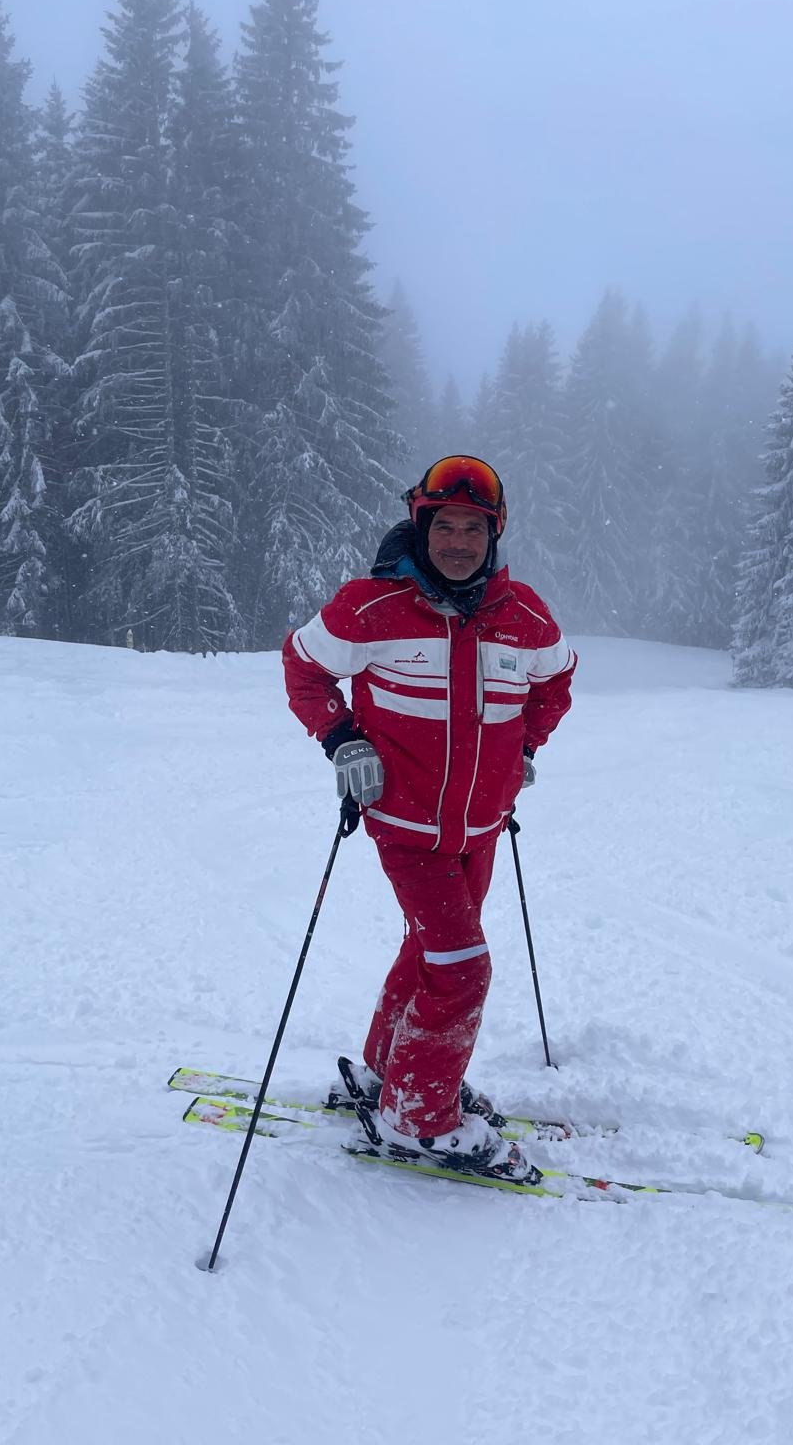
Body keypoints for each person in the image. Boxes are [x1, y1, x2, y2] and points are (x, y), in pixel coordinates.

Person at [282, 454, 576, 1179]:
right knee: (462, 968)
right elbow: (303, 665)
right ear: (421, 526)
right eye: (444, 526)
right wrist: (342, 739)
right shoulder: (371, 607)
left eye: (473, 529)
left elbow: (558, 680)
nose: (457, 542)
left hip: (480, 830)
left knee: (430, 950)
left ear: (493, 535)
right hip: (406, 825)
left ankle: (394, 1075)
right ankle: (419, 1119)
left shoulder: (524, 616)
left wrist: (524, 748)